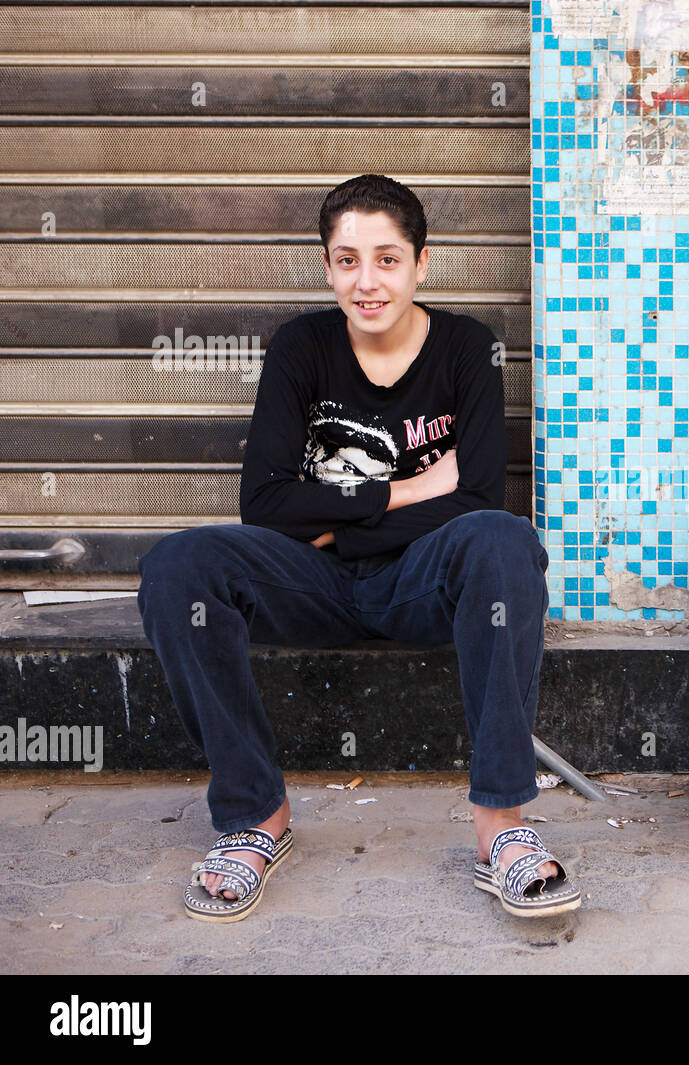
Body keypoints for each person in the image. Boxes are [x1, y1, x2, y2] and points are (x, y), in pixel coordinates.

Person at [138, 174, 579, 921]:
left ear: (422, 263)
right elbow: (264, 505)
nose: (367, 282)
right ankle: (254, 816)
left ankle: (502, 825)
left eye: (387, 259)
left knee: (504, 540)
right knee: (177, 565)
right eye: (347, 260)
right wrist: (403, 492)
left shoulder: (468, 349)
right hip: (311, 581)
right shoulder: (302, 346)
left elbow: (475, 502)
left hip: (418, 584)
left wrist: (332, 521)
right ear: (327, 265)